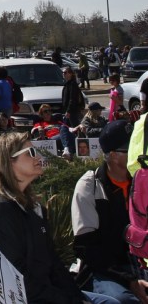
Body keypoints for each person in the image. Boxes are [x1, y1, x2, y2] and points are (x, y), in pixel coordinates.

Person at [0, 132, 118, 304]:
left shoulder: (30, 205)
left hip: (45, 293)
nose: (38, 156)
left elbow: (53, 263)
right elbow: (16, 280)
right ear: (9, 162)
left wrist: (76, 298)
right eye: (30, 153)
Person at [72, 120, 148, 303]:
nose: (138, 153)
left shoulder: (142, 181)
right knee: (124, 301)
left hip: (140, 264)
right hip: (105, 269)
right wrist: (129, 280)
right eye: (130, 149)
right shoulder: (90, 185)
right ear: (113, 155)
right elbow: (86, 247)